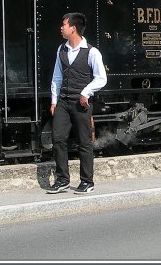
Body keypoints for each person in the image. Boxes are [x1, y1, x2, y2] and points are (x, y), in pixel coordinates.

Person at [47, 12, 106, 195]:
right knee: (58, 139)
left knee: (84, 142)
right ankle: (63, 179)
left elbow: (101, 78)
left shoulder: (91, 52)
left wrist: (85, 92)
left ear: (73, 28)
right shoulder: (61, 49)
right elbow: (57, 76)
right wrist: (54, 100)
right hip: (64, 101)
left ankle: (87, 181)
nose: (61, 28)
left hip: (81, 103)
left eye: (64, 25)